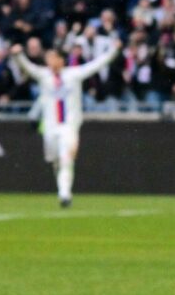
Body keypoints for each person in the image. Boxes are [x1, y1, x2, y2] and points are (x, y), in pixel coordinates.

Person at [11, 42, 118, 208]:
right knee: (55, 161)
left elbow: (97, 64)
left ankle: (65, 194)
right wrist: (18, 55)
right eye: (48, 58)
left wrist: (114, 50)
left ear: (61, 60)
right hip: (50, 127)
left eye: (52, 58)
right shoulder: (44, 75)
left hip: (69, 126)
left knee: (66, 158)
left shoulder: (73, 75)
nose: (49, 61)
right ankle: (62, 189)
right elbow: (27, 66)